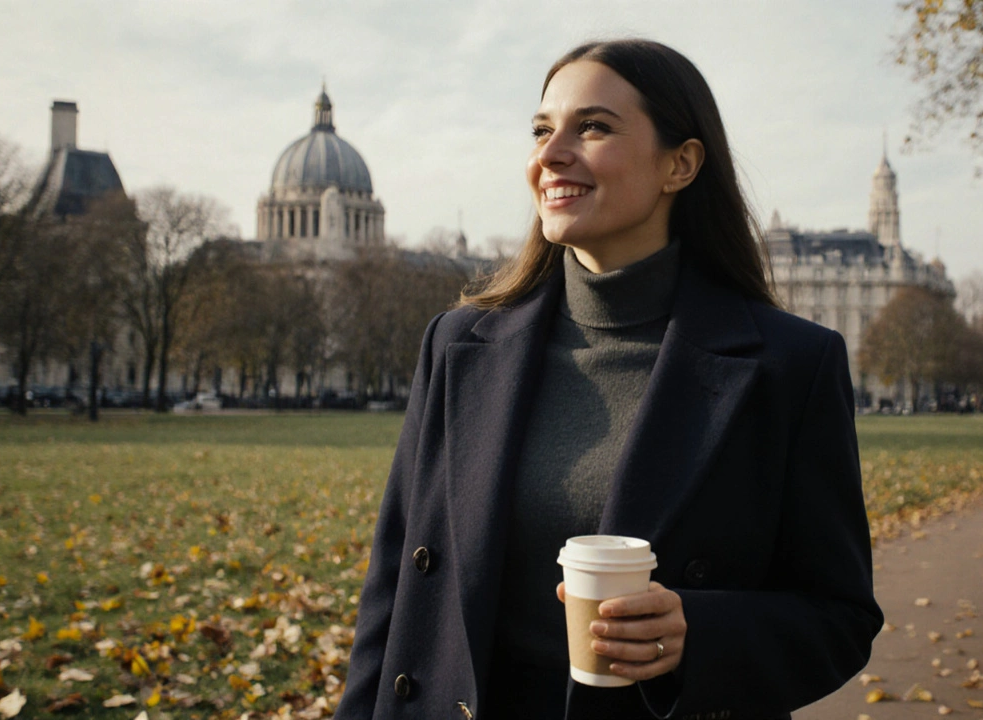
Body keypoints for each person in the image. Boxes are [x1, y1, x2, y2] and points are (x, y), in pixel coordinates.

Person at [334, 39, 882, 720]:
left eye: (591, 127)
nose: (550, 154)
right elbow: (392, 595)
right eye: (541, 130)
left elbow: (840, 616)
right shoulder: (456, 344)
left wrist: (697, 635)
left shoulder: (790, 366)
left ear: (680, 164)